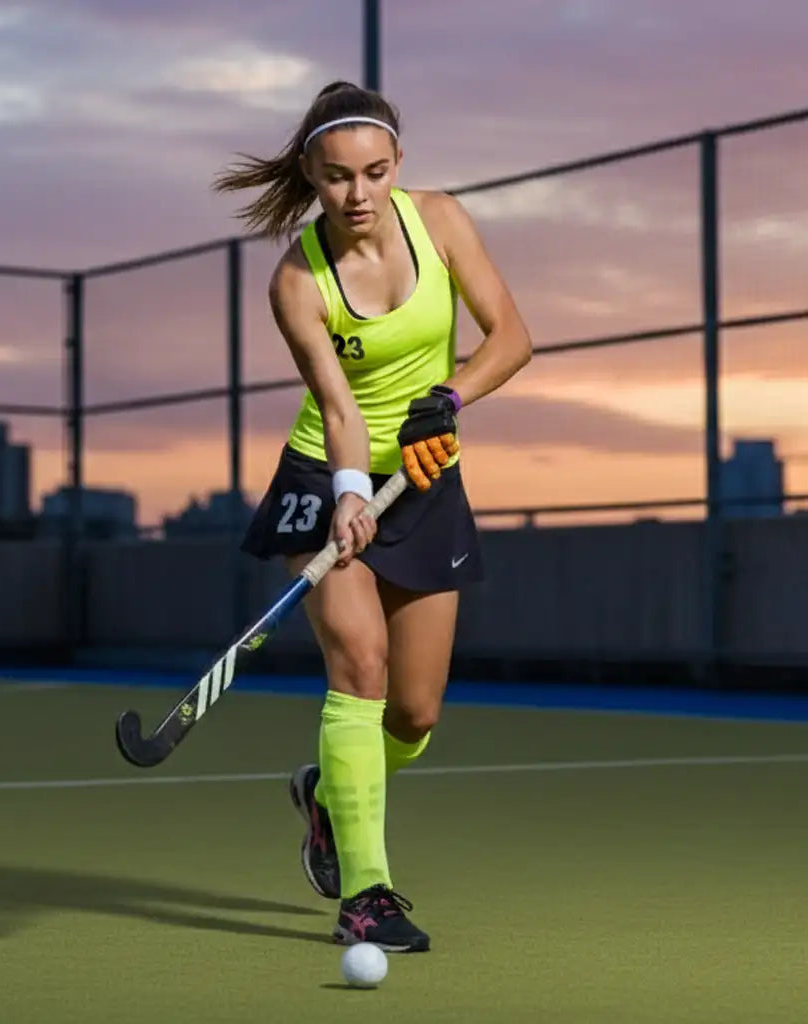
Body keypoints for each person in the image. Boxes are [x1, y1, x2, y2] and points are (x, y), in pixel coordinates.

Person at [213, 81, 532, 953]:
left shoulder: (440, 221)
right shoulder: (296, 279)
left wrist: (449, 395)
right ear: (310, 176)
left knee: (417, 714)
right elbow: (338, 406)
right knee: (361, 662)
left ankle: (327, 795)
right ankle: (367, 894)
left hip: (429, 475)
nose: (357, 195)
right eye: (337, 178)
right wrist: (350, 490)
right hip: (326, 473)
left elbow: (511, 335)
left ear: (399, 164)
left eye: (375, 172)